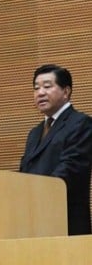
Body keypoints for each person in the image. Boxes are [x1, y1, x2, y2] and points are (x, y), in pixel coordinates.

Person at [19, 63, 92, 235]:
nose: (40, 93)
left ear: (66, 92)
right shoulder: (34, 133)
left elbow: (71, 169)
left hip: (66, 222)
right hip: (33, 221)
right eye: (36, 88)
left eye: (47, 86)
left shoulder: (81, 123)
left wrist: (34, 196)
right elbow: (24, 172)